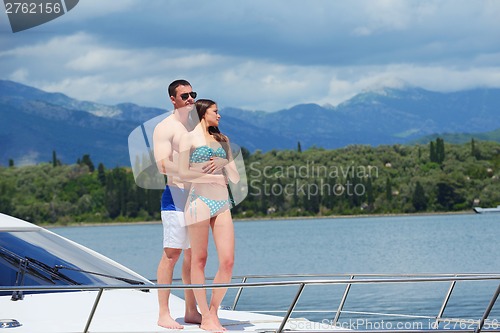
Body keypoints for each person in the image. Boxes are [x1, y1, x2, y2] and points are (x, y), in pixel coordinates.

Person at [178, 99, 240, 331]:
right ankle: (205, 316)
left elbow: (234, 177)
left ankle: (213, 311)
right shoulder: (189, 138)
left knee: (228, 261)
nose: (219, 115)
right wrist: (207, 176)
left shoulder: (222, 140)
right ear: (204, 113)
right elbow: (183, 172)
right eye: (216, 111)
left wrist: (225, 161)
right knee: (199, 259)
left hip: (222, 202)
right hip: (198, 201)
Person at [153, 79, 202, 329]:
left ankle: (191, 311)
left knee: (193, 256)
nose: (190, 99)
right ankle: (163, 314)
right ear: (173, 99)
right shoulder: (165, 127)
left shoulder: (195, 125)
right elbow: (163, 164)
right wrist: (192, 172)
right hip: (175, 196)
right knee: (171, 254)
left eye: (192, 94)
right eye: (184, 96)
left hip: (195, 198)